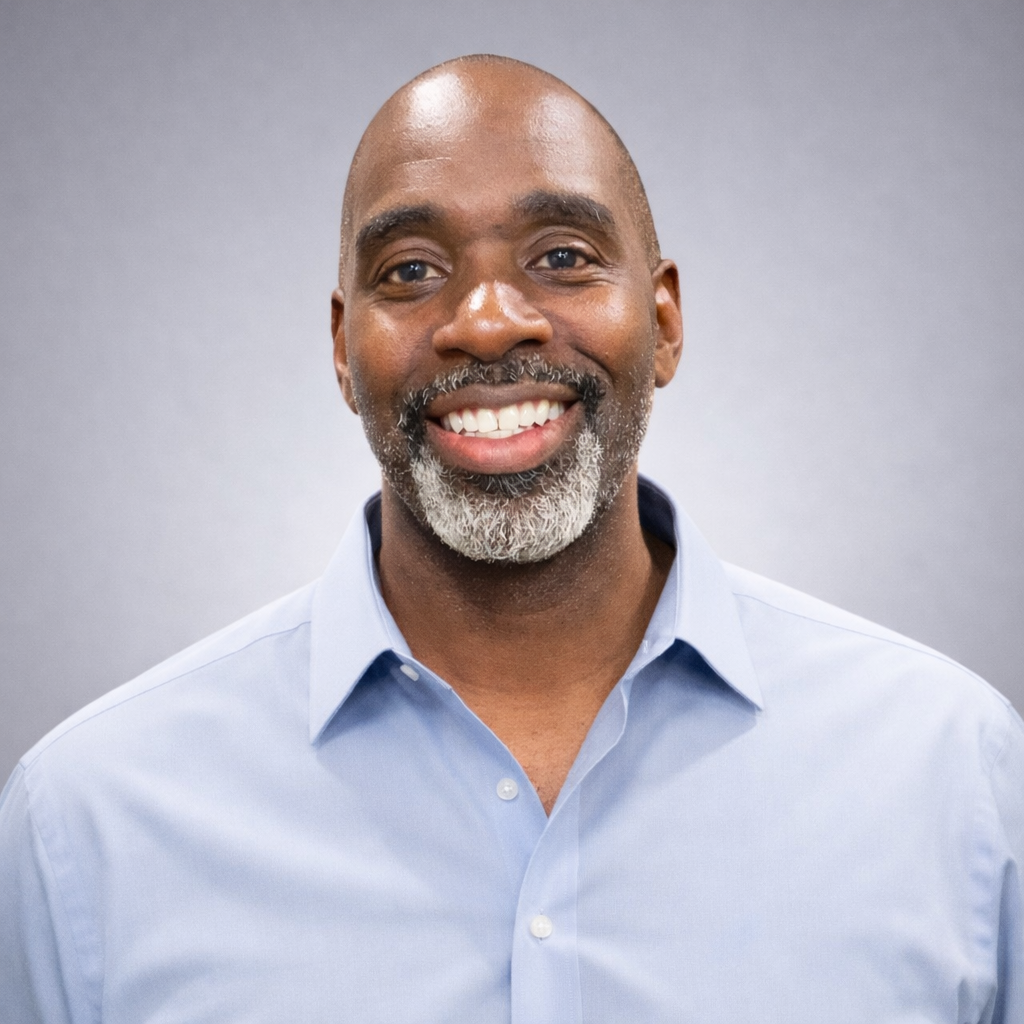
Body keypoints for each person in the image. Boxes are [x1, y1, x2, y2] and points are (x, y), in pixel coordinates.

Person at [1, 54, 1021, 1023]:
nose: (487, 322)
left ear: (663, 323)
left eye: (563, 257)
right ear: (342, 350)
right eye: (410, 270)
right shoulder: (87, 820)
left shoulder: (953, 774)